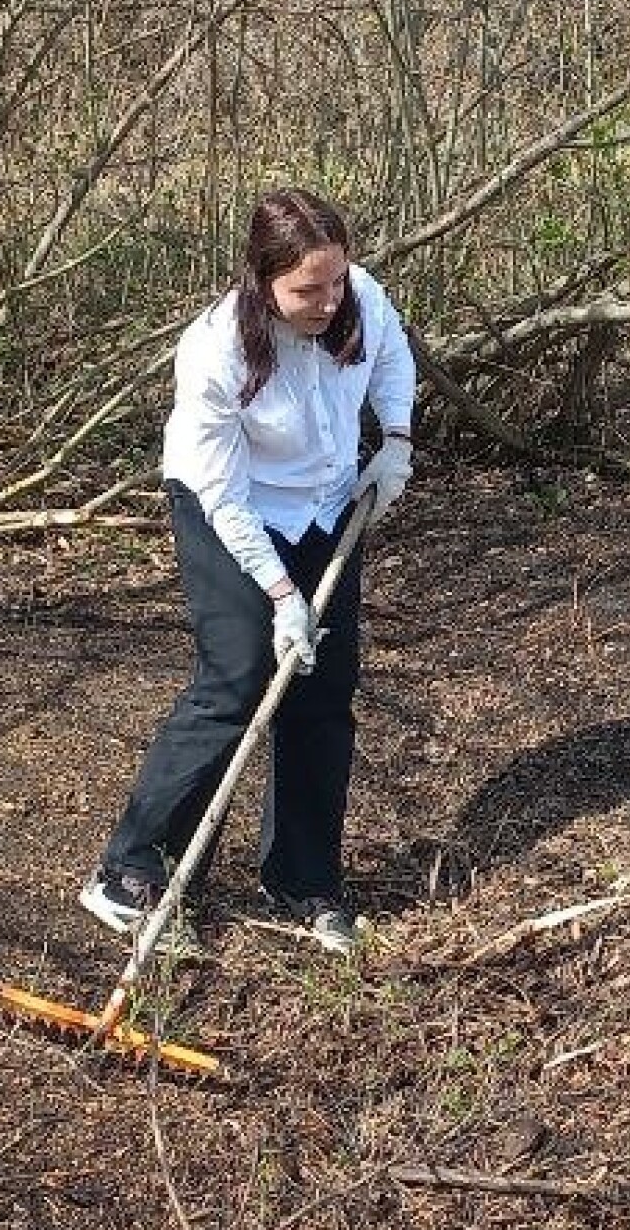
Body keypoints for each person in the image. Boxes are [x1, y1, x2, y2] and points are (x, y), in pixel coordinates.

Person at [82, 190, 416, 954]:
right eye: (306, 290)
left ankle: (302, 880)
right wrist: (281, 596)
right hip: (228, 509)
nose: (327, 301)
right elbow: (224, 496)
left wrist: (395, 440)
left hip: (326, 504)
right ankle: (132, 876)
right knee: (237, 680)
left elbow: (392, 355)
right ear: (262, 280)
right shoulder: (215, 351)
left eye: (336, 281)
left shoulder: (357, 297)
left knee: (323, 692)